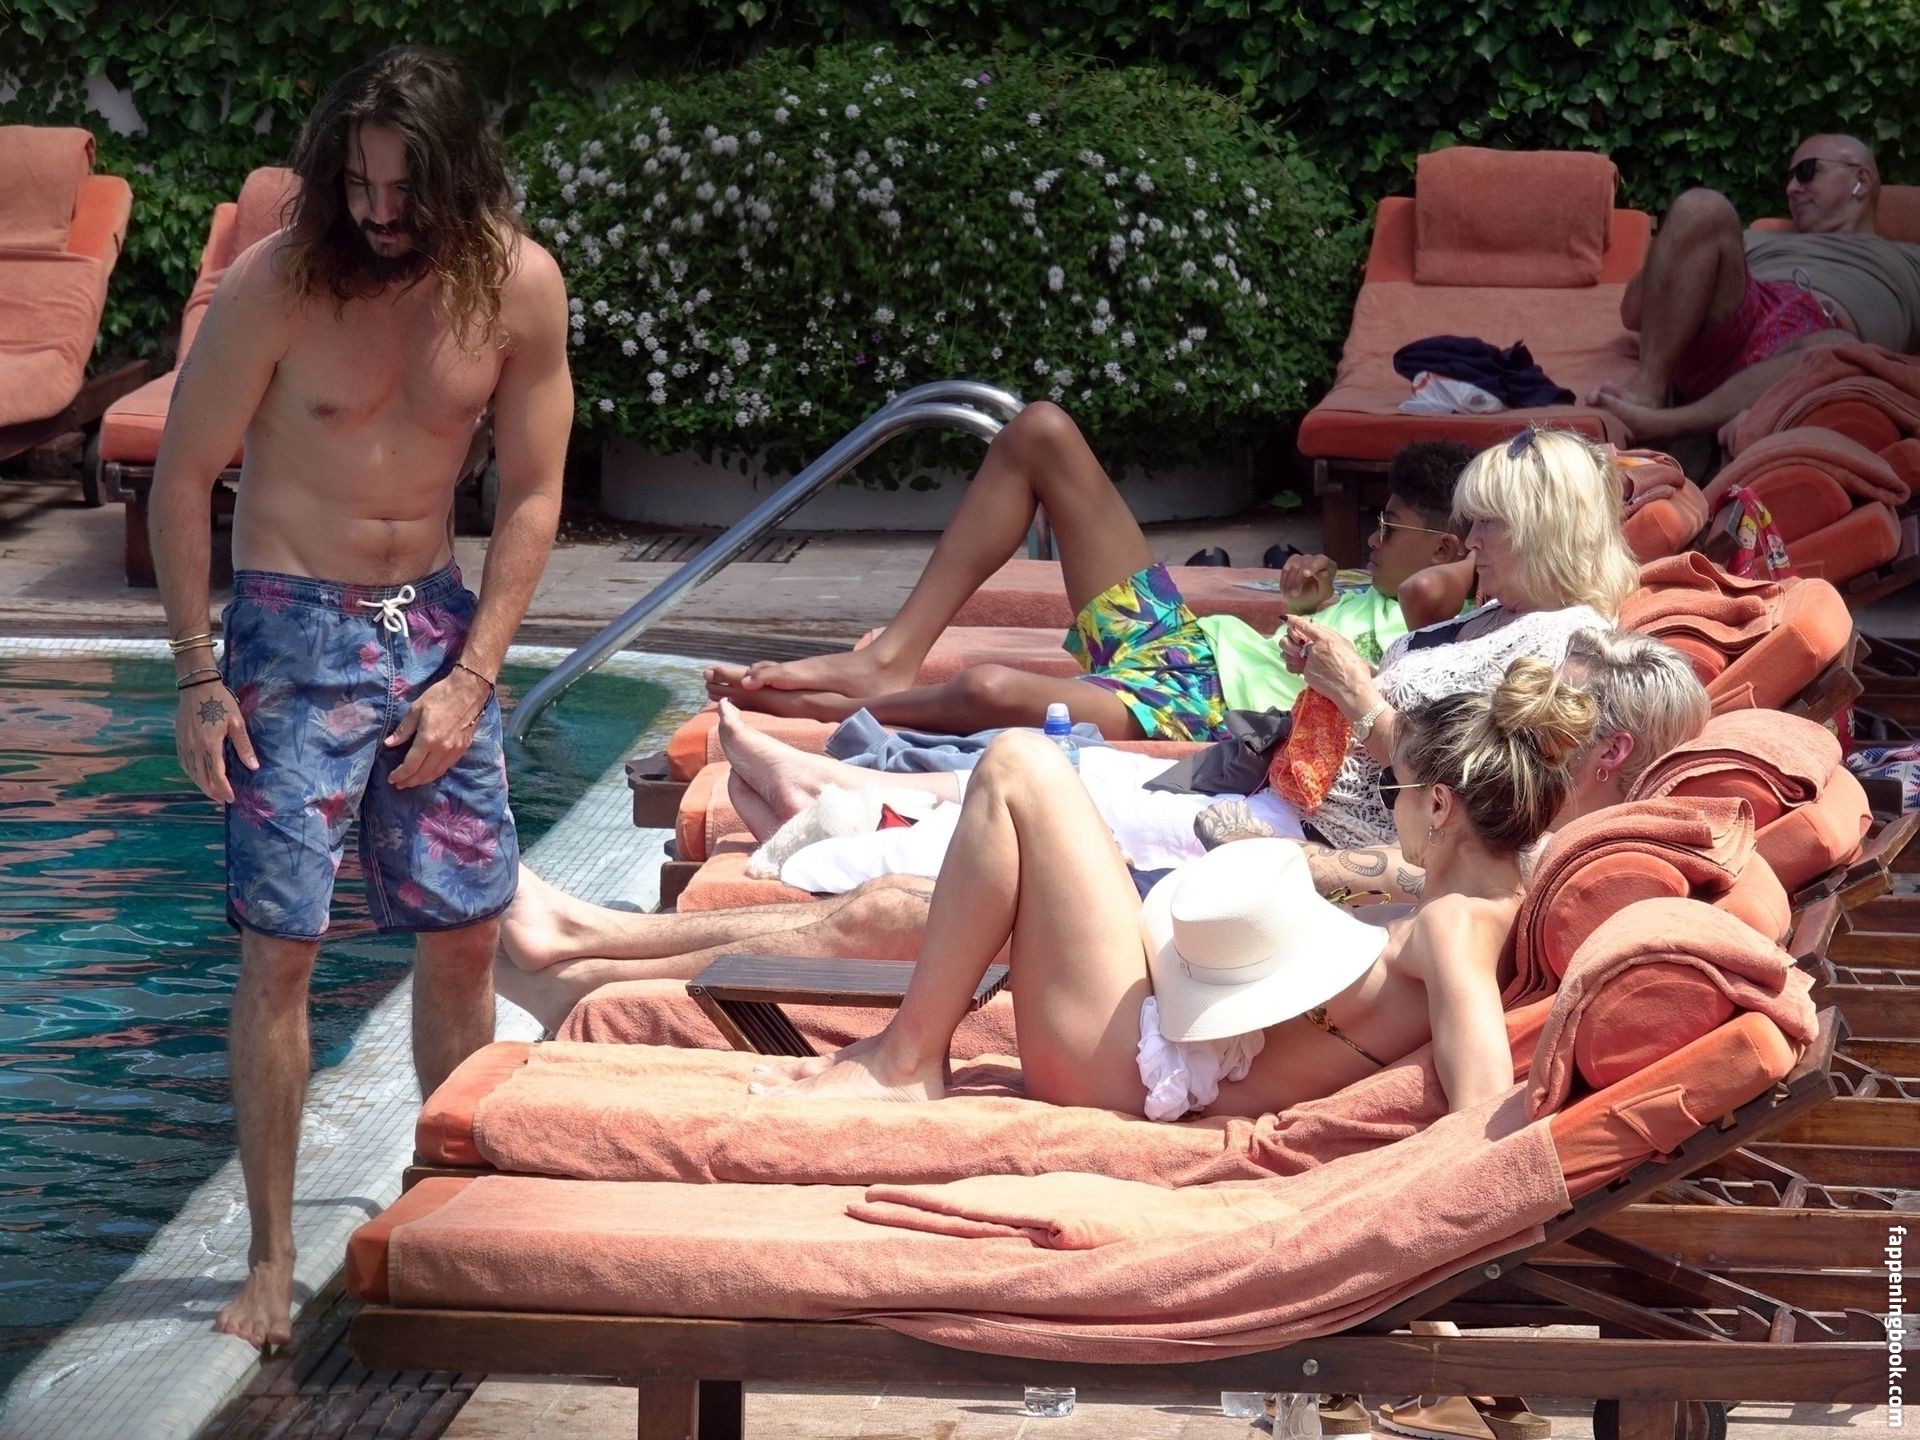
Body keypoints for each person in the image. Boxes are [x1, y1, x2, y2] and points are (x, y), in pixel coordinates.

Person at [149, 46, 572, 1347]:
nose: (381, 214)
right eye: (360, 186)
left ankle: (442, 1207)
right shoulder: (277, 283)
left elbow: (534, 492)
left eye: (406, 190)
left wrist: (476, 673)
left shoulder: (517, 285)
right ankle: (271, 1260)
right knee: (282, 949)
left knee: (464, 935)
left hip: (434, 628)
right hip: (289, 636)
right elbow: (182, 475)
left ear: (459, 176)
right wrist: (198, 673)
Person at [492, 629, 1707, 1031]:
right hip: (1228, 909)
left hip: (1216, 943)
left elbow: (1420, 909)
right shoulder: (1544, 838)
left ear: (1603, 749)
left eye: (1568, 714)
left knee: (938, 853)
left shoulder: (1537, 862)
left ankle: (591, 957)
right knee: (908, 888)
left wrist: (1318, 850)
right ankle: (591, 950)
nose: (1540, 720)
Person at [751, 656, 1596, 1119]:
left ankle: (905, 1060)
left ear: (1440, 806)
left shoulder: (1454, 928)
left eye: (1392, 787)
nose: (1387, 804)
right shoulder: (1481, 895)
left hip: (1123, 1070)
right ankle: (904, 1049)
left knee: (1019, 765)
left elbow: (1485, 1110)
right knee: (1048, 795)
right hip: (1157, 1042)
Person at [704, 404, 1471, 740]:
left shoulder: (1449, 607)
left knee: (988, 690)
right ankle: (890, 659)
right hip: (1182, 646)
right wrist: (1307, 602)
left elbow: (1444, 586)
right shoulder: (1371, 589)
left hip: (1201, 706)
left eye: (1389, 528)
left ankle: (834, 715)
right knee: (1040, 431)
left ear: (1447, 549)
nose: (1371, 540)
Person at [1589, 133, 1920, 443]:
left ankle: (1666, 424)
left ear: (1861, 180)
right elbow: (1633, 313)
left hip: (1814, 347)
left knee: (1836, 348)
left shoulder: (1910, 259)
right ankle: (1647, 392)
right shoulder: (1755, 238)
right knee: (1702, 205)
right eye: (1788, 179)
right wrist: (1682, 239)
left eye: (1806, 172)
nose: (1791, 188)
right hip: (1743, 316)